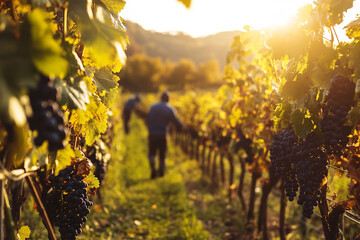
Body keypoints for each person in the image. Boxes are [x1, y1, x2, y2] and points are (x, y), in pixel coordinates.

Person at [146, 91, 183, 179]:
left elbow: (148, 119)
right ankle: (161, 171)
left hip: (152, 133)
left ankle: (153, 170)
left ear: (160, 98)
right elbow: (176, 121)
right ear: (168, 99)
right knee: (162, 154)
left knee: (152, 153)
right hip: (162, 134)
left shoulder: (153, 107)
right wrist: (182, 126)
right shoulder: (169, 108)